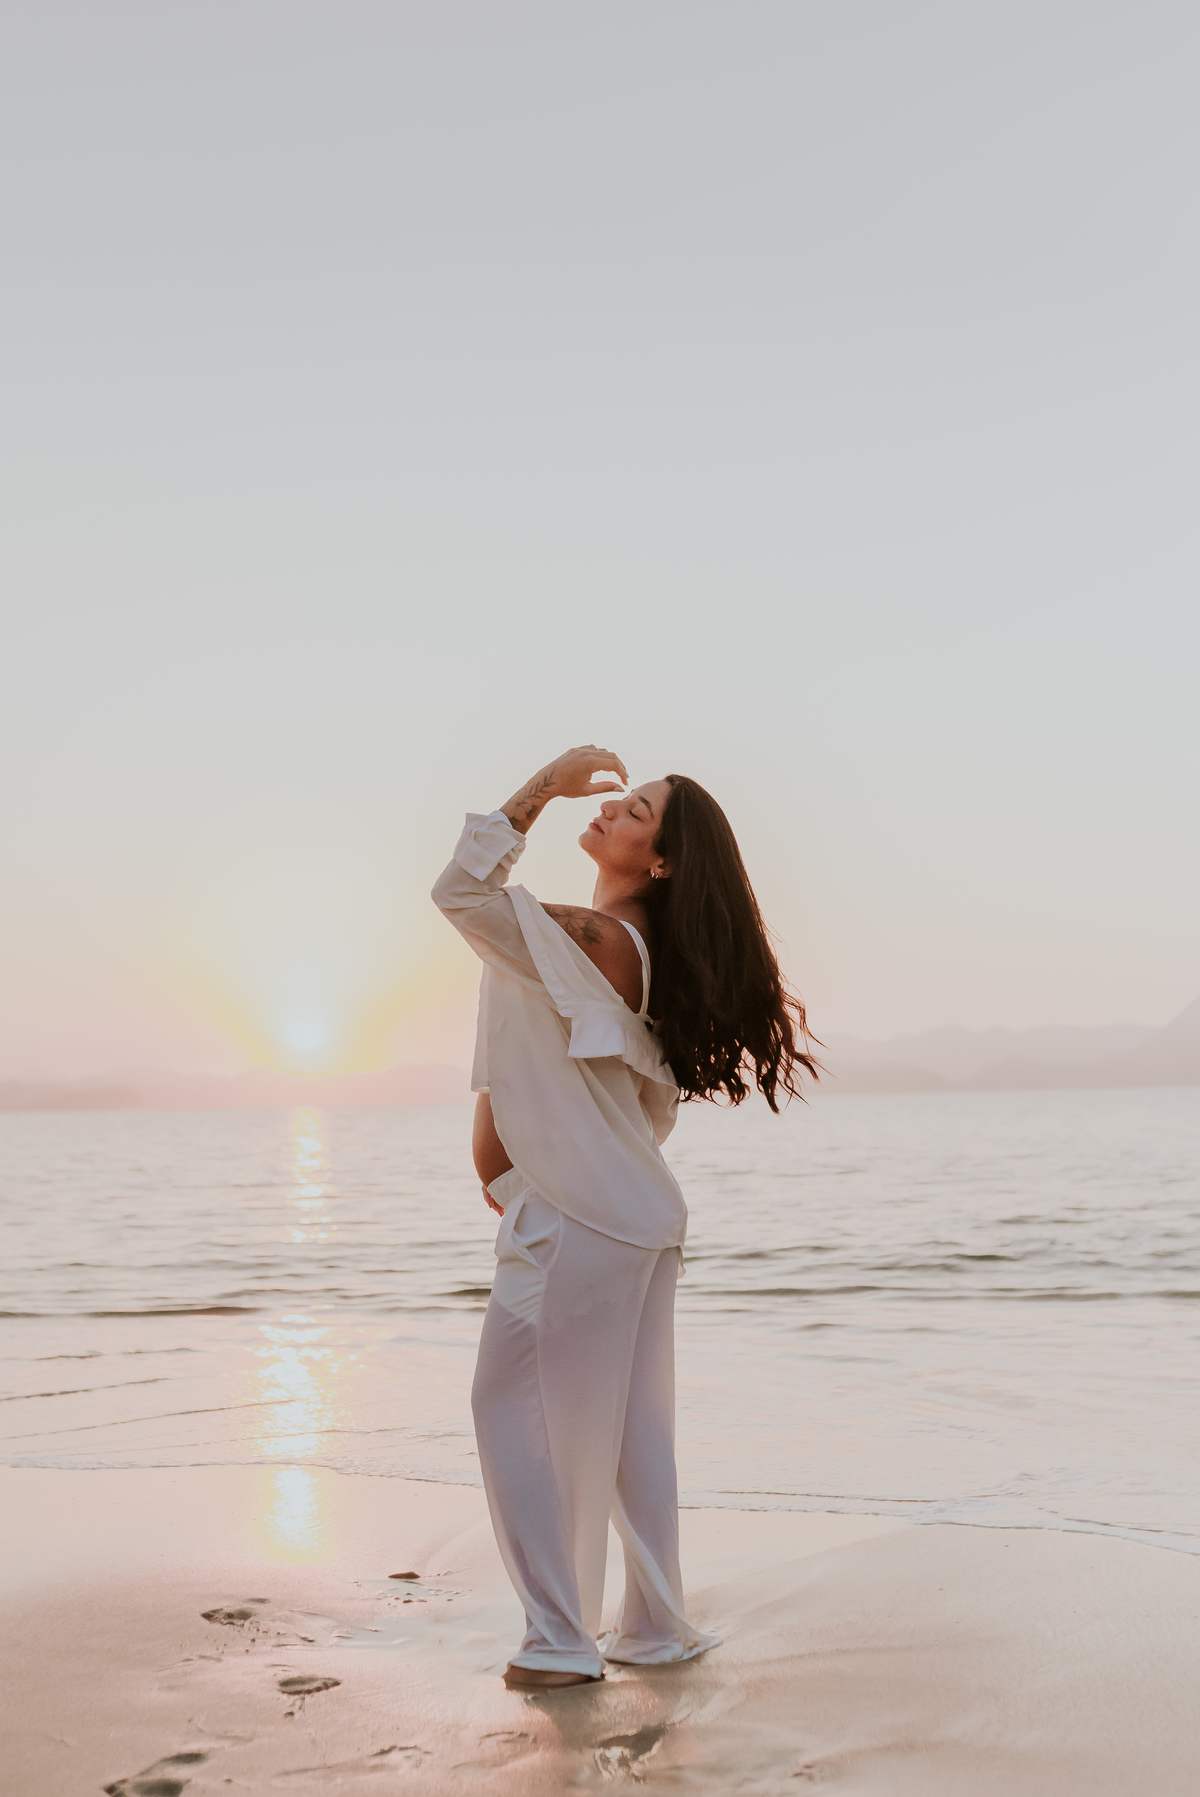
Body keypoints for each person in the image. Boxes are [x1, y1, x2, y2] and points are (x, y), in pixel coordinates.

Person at [432, 745, 817, 1689]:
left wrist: (540, 788)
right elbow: (577, 1075)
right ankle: (653, 1628)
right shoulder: (620, 948)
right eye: (613, 798)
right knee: (633, 1430)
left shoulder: (602, 942)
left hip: (583, 1217)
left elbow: (461, 893)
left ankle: (559, 1639)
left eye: (634, 808)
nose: (607, 808)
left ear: (662, 860)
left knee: (509, 1409)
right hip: (622, 1213)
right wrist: (519, 1156)